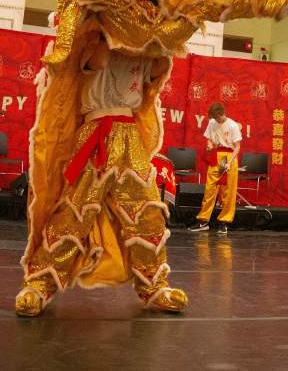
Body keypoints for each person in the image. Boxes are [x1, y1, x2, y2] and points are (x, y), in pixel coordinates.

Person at [16, 39, 188, 316]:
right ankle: (39, 283)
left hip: (129, 135)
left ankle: (154, 285)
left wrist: (165, 38)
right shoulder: (93, 39)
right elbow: (99, 62)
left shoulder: (144, 44)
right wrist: (108, 22)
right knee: (73, 211)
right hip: (94, 134)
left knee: (147, 212)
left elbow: (155, 71)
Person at [189, 103, 242, 235]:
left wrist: (229, 162)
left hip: (229, 157)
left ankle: (224, 222)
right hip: (216, 156)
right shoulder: (212, 122)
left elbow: (237, 147)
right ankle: (203, 221)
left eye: (217, 118)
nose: (215, 120)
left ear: (222, 114)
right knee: (209, 189)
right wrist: (209, 146)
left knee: (227, 192)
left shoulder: (233, 125)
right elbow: (208, 139)